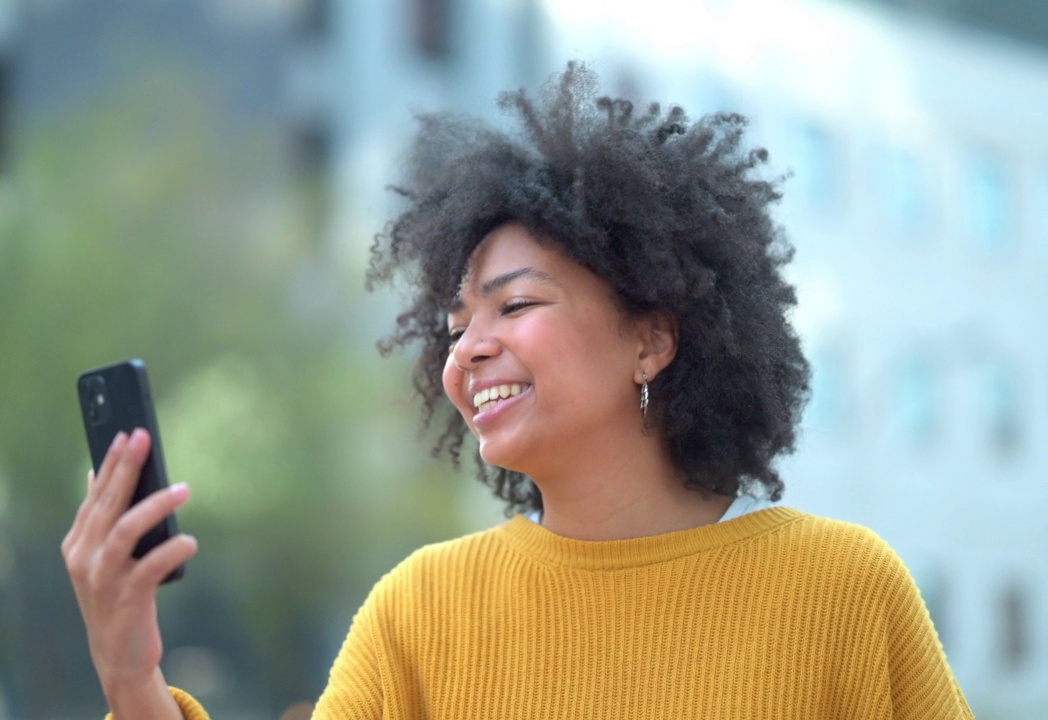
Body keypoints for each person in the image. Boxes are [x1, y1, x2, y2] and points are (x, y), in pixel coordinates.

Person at [62, 63, 973, 719]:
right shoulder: (420, 613)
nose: (468, 351)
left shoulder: (846, 593)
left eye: (515, 305)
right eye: (455, 325)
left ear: (652, 338)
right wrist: (133, 685)